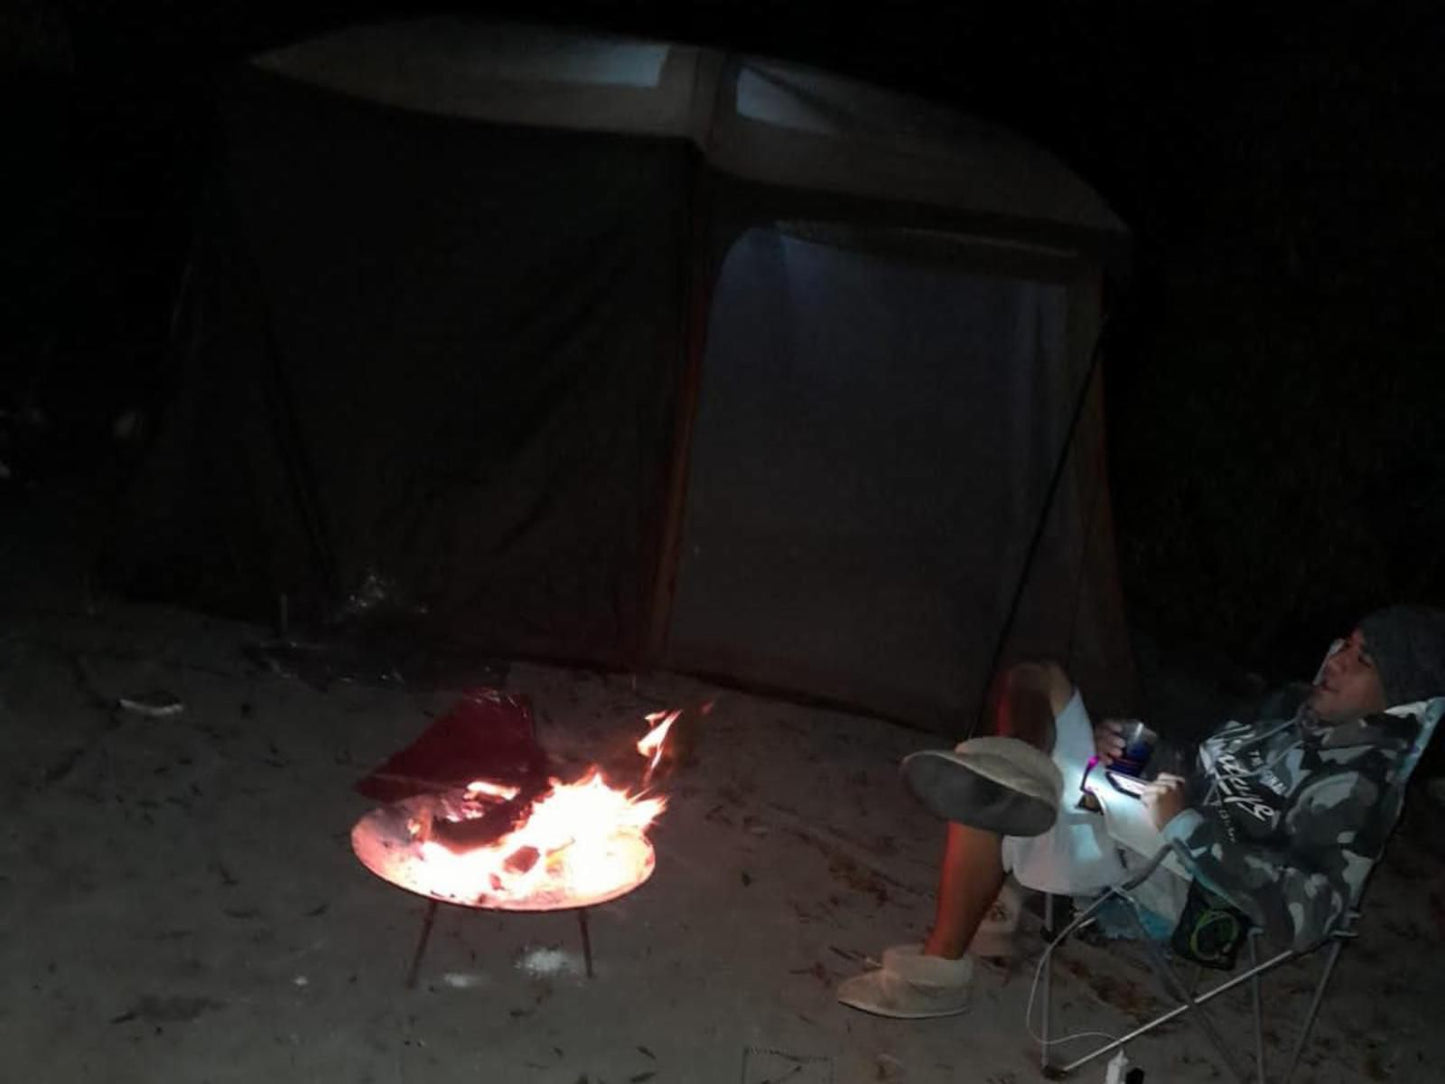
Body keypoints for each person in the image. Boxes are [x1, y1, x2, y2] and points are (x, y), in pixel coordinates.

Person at [837, 604, 1445, 1019]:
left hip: (1187, 882)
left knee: (992, 787)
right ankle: (1020, 783)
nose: (1336, 658)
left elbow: (1309, 914)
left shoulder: (1357, 789)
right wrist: (1139, 747)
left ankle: (941, 972)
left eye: (1363, 661)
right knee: (1038, 681)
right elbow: (1199, 769)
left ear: (1400, 698)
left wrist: (1188, 829)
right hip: (1146, 820)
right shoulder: (1288, 710)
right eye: (1348, 644)